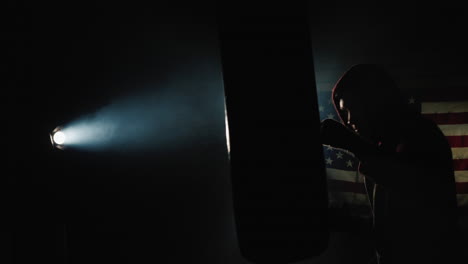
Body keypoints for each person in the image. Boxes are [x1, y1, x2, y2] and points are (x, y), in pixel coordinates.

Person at [320, 64, 458, 264]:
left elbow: (415, 187)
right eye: (344, 112)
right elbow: (394, 231)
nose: (349, 120)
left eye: (355, 108)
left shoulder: (422, 136)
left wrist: (352, 144)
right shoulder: (384, 149)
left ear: (377, 101)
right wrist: (350, 224)